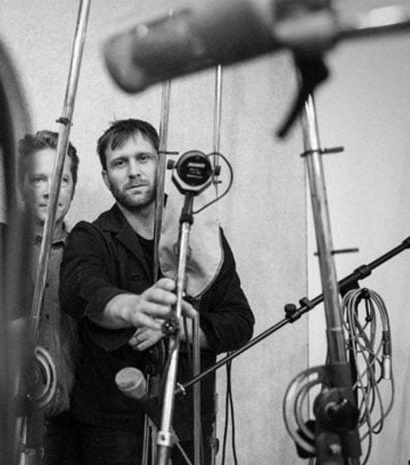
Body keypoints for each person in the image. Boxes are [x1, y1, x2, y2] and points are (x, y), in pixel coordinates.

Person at [59, 119, 254, 465]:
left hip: (187, 422)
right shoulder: (90, 237)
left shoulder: (201, 236)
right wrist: (133, 307)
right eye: (120, 163)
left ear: (162, 164)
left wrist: (178, 328)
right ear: (105, 177)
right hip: (111, 429)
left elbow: (239, 322)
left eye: (143, 158)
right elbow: (81, 290)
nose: (133, 171)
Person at [16, 130, 80, 465]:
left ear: (73, 186)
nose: (50, 190)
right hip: (9, 422)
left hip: (74, 426)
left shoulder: (89, 254)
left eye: (61, 180)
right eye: (38, 179)